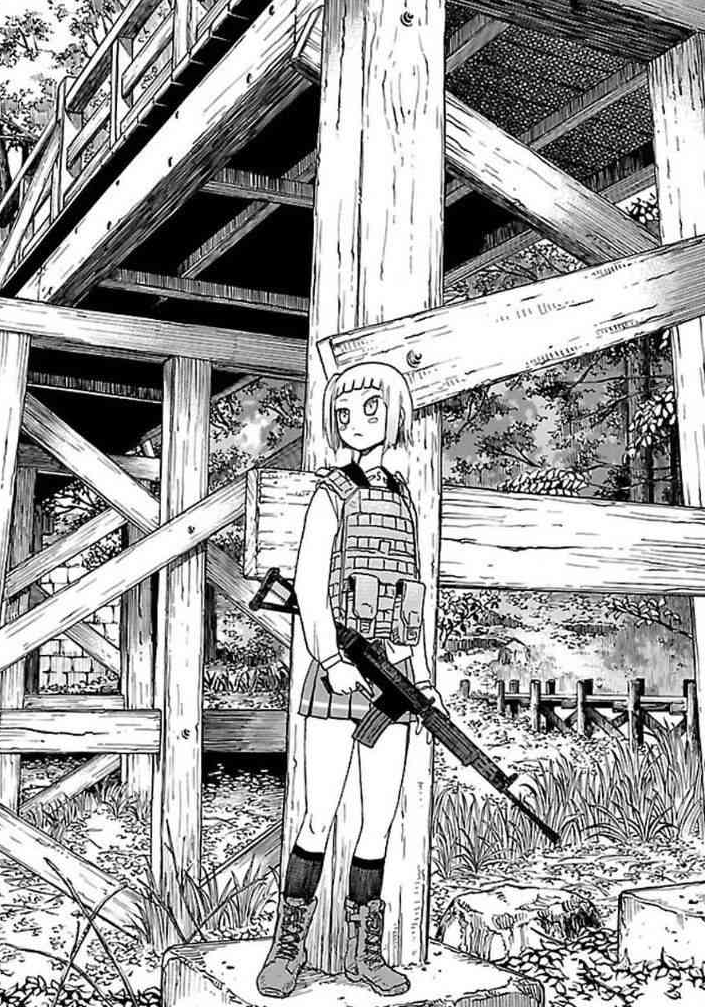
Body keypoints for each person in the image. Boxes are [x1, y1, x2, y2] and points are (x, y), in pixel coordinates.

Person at [257, 361, 445, 999]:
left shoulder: (405, 499)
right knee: (317, 816)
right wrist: (330, 659)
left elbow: (412, 594)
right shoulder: (330, 494)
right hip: (337, 674)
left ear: (395, 415)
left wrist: (421, 673)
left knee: (377, 822)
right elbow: (310, 586)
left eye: (369, 409)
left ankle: (367, 950)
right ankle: (288, 947)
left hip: (393, 679)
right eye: (343, 412)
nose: (354, 423)